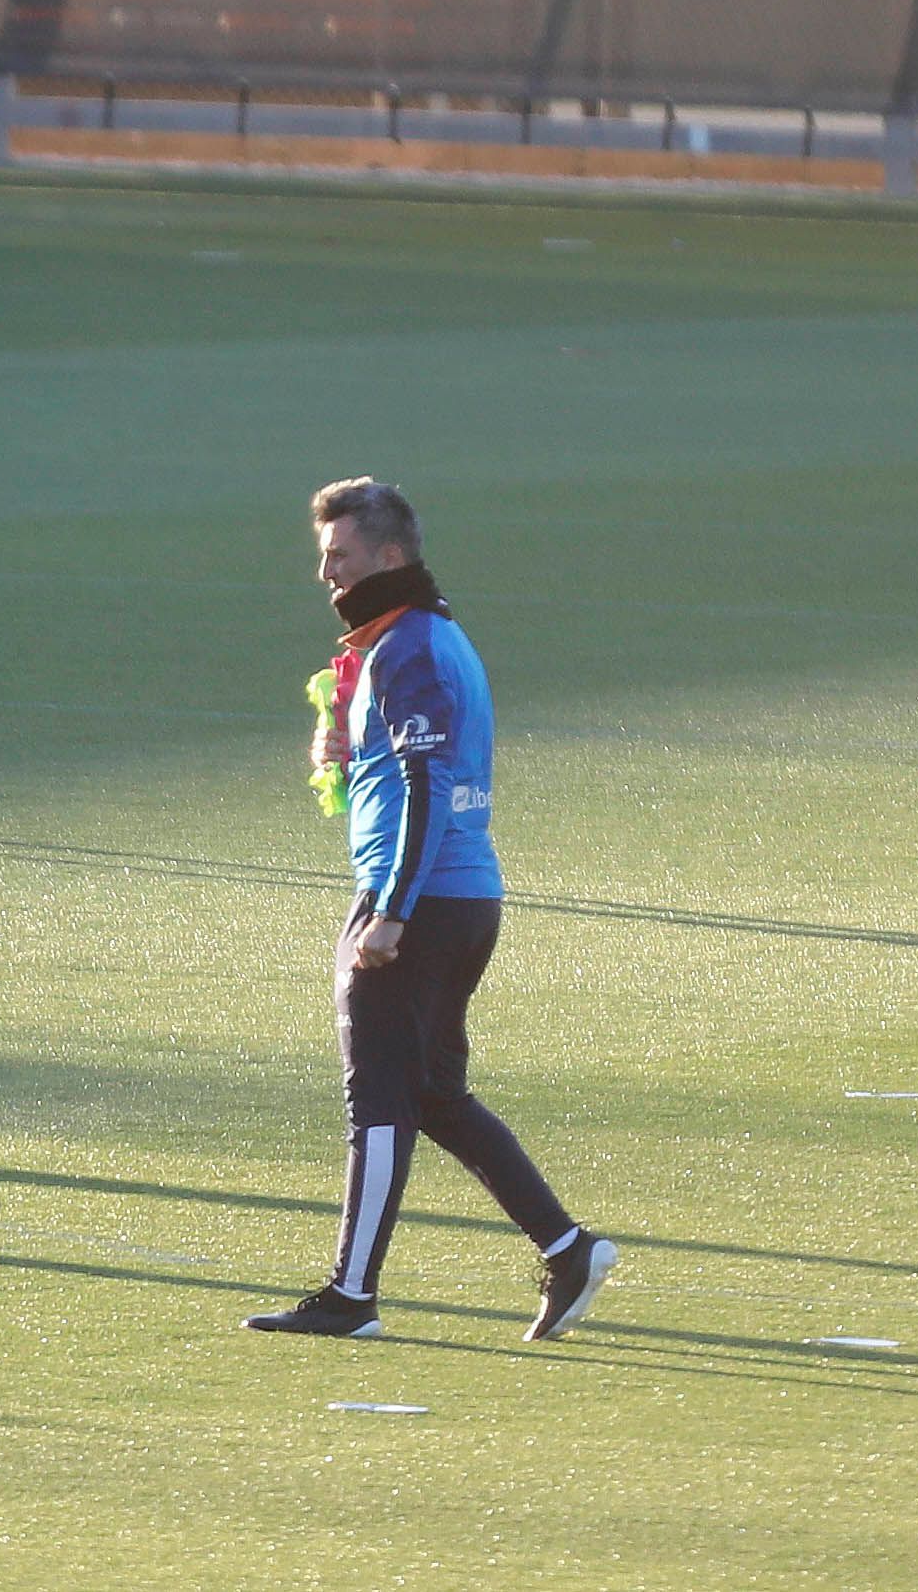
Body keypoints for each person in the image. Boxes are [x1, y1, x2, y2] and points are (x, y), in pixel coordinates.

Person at [246, 477, 619, 1341]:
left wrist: (388, 910)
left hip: (417, 900)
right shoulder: (422, 637)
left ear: (388, 556)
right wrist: (340, 752)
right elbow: (396, 775)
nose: (325, 573)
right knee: (434, 1095)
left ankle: (350, 1294)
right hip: (459, 894)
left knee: (375, 1100)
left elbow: (425, 781)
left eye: (338, 555)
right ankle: (566, 1249)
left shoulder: (409, 646)